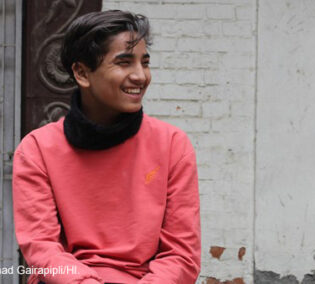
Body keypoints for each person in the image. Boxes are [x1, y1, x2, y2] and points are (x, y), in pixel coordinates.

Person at [12, 10, 201, 284]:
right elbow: (42, 249)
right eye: (124, 62)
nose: (140, 76)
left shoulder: (172, 145)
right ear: (82, 72)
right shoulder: (37, 149)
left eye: (144, 63)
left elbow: (182, 255)